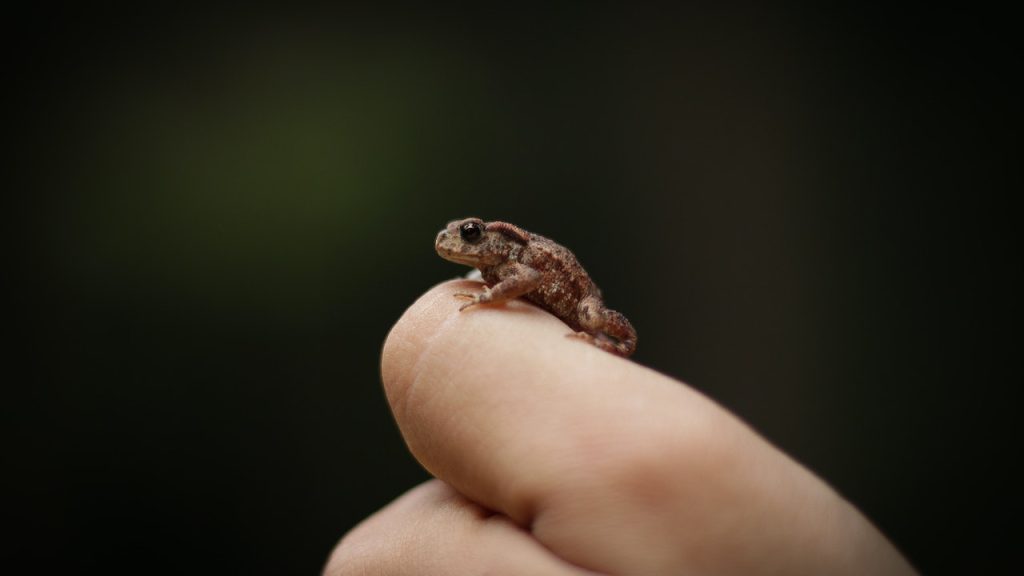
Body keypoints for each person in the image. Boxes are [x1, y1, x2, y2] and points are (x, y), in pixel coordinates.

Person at [325, 281, 916, 575]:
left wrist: (491, 302)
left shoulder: (516, 265)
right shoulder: (493, 271)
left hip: (577, 299)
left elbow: (534, 282)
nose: (458, 242)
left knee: (594, 320)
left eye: (474, 233)